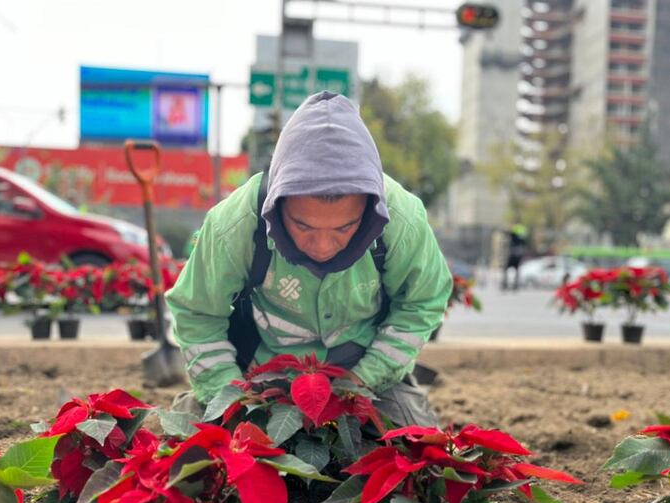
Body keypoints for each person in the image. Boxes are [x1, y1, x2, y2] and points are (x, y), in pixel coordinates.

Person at [165, 91, 452, 427]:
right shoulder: (235, 224)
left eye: (344, 228)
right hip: (257, 371)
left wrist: (364, 380)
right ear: (278, 202)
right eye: (303, 226)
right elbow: (196, 314)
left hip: (360, 366)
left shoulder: (401, 219)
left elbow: (422, 303)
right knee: (192, 440)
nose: (322, 246)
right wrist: (232, 395)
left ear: (368, 210)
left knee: (412, 445)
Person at [501, 223, 528, 291]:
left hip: (513, 253)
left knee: (506, 268)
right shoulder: (522, 235)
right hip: (519, 253)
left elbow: (508, 233)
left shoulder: (514, 234)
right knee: (517, 270)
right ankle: (515, 285)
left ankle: (505, 284)